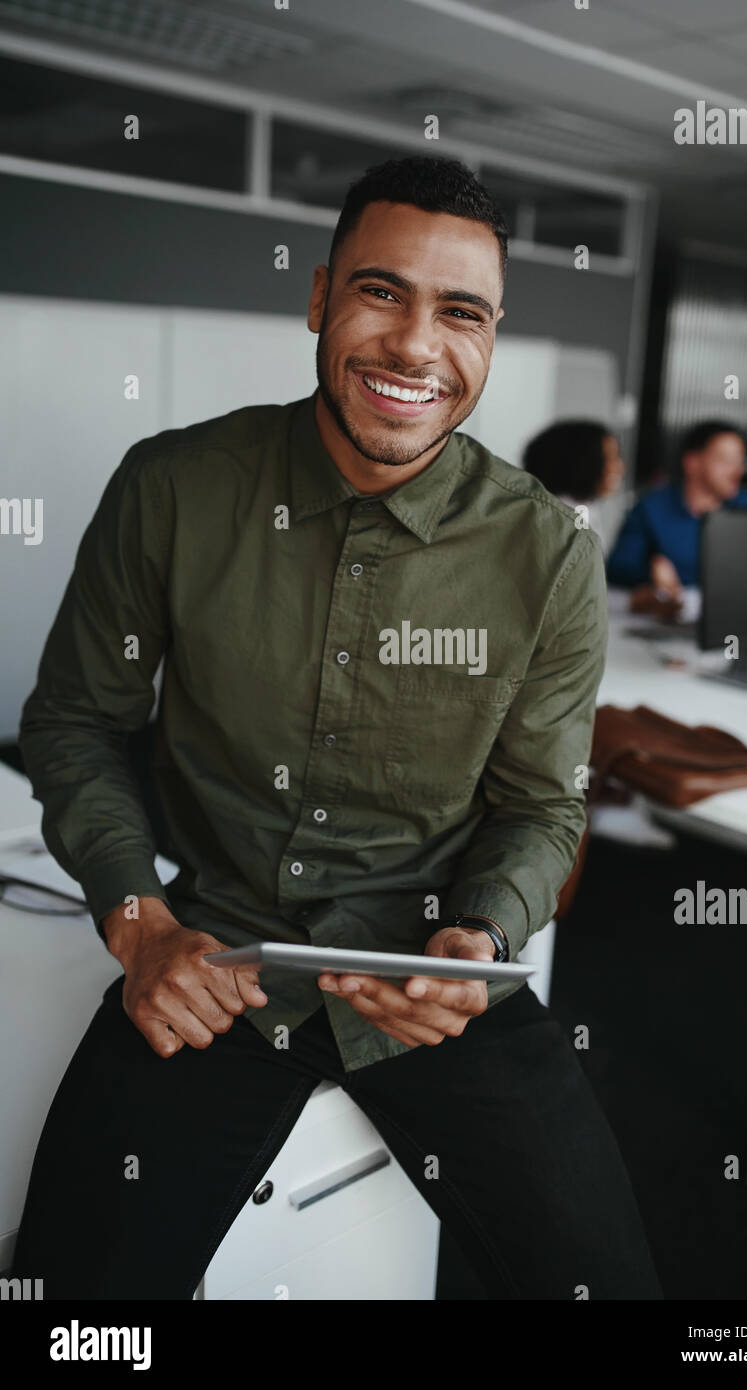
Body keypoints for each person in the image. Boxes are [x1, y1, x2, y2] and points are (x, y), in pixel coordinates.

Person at [11, 155, 661, 1301]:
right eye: (379, 292)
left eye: (459, 311)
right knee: (76, 1305)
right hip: (214, 959)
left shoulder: (548, 554)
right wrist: (135, 919)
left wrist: (481, 937)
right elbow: (74, 724)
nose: (415, 345)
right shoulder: (171, 488)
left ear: (491, 338)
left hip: (430, 970)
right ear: (318, 300)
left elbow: (539, 804)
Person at [606, 420, 747, 611]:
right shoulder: (652, 507)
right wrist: (650, 573)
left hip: (736, 615)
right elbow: (618, 568)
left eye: (740, 461)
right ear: (692, 463)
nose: (737, 471)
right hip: (674, 619)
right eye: (725, 461)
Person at [522, 420, 626, 552]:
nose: (620, 468)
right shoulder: (561, 520)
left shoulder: (585, 509)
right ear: (580, 463)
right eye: (609, 458)